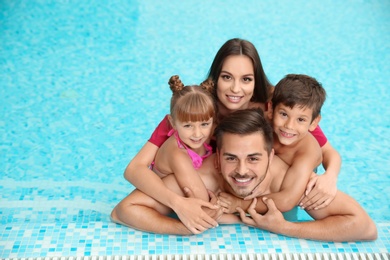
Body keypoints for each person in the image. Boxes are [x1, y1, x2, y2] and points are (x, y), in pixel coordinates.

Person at [114, 38, 341, 234]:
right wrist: (177, 203)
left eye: (246, 79)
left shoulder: (274, 109)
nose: (235, 89)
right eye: (227, 77)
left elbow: (324, 150)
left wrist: (330, 177)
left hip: (262, 189)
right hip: (209, 182)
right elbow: (135, 169)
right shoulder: (195, 110)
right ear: (216, 78)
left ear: (256, 81)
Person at [111, 109, 377, 242]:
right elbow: (123, 210)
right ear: (216, 158)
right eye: (230, 158)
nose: (241, 171)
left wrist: (284, 227)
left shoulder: (289, 183)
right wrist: (185, 224)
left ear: (271, 156)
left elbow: (365, 228)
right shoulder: (203, 178)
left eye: (253, 158)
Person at [218, 74, 325, 214]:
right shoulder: (262, 125)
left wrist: (239, 205)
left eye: (300, 120)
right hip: (268, 166)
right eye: (284, 114)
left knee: (290, 203)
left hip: (297, 173)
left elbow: (287, 200)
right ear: (271, 109)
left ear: (314, 122)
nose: (289, 126)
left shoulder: (307, 151)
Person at [152, 75, 215, 201]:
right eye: (187, 126)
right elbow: (202, 202)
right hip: (161, 203)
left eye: (204, 124)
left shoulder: (205, 139)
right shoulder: (177, 153)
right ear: (173, 123)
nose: (197, 134)